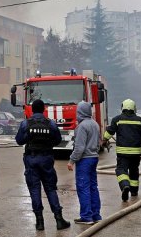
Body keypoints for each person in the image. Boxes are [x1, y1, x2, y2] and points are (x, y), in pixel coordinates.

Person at [15, 99, 70, 231]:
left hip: (31, 159)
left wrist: (29, 137)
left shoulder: (25, 123)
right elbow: (58, 140)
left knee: (35, 189)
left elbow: (18, 140)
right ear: (43, 110)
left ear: (32, 110)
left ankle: (39, 222)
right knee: (50, 189)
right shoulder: (50, 123)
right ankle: (59, 220)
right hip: (46, 159)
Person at [103, 99, 141, 202]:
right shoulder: (140, 121)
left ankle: (125, 186)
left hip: (122, 153)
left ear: (122, 107)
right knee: (134, 171)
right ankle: (134, 192)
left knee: (121, 170)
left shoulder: (117, 119)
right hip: (136, 154)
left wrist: (104, 140)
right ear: (134, 108)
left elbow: (109, 132)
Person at [67, 101, 102, 225]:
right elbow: (99, 142)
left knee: (83, 187)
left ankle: (86, 217)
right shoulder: (95, 124)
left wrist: (71, 161)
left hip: (85, 160)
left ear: (80, 112)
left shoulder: (82, 126)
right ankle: (96, 215)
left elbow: (79, 147)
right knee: (93, 187)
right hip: (94, 158)